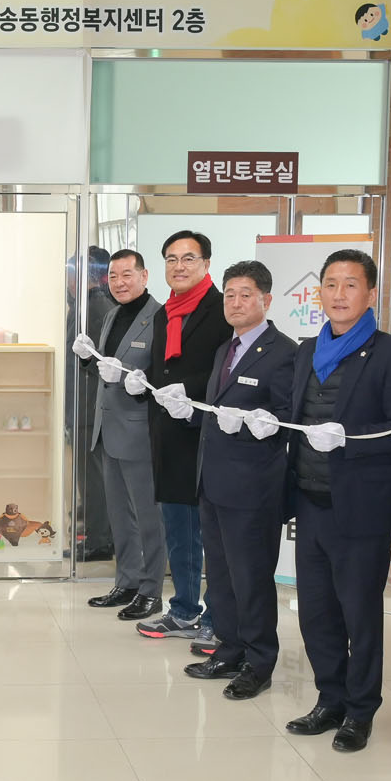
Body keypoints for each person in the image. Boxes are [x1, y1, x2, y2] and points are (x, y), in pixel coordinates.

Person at [280, 249, 391, 753]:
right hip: (310, 501)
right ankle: (329, 699)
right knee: (316, 612)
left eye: (350, 284)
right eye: (331, 284)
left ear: (371, 293)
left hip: (361, 508)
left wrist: (349, 438)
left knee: (359, 615)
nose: (339, 294)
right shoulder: (306, 351)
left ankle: (360, 711)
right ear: (319, 292)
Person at [175, 261, 298, 700]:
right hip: (213, 482)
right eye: (229, 295)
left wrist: (253, 424)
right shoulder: (225, 350)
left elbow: (286, 419)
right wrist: (189, 411)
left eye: (246, 295)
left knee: (251, 579)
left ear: (266, 300)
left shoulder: (283, 352)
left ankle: (259, 662)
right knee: (222, 576)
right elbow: (217, 412)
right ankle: (229, 649)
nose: (235, 303)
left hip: (253, 488)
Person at [124, 231, 228, 647]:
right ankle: (184, 609)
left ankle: (218, 617)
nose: (179, 266)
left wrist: (191, 390)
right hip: (168, 436)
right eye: (171, 259)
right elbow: (164, 370)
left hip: (206, 436)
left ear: (206, 264)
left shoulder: (221, 309)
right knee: (179, 532)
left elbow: (226, 371)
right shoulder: (166, 312)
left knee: (211, 536)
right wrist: (140, 381)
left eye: (188, 258)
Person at [79, 250, 165, 614]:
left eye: (127, 275)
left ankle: (151, 590)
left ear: (144, 276)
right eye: (113, 276)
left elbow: (163, 378)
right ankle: (127, 581)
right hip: (108, 429)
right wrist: (88, 358)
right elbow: (104, 371)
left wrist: (137, 382)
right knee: (119, 515)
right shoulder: (113, 314)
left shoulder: (160, 317)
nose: (119, 283)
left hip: (139, 432)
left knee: (148, 517)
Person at [78, 245, 116, 562]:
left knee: (94, 478)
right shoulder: (82, 307)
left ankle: (100, 541)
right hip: (82, 408)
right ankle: (97, 535)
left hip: (91, 409)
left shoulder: (97, 308)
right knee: (89, 477)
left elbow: (103, 364)